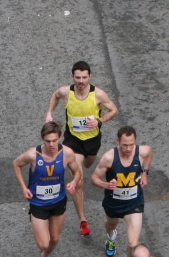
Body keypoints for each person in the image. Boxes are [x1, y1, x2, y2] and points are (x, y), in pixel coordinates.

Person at [45, 61, 119, 236]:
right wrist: (49, 113)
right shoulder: (66, 92)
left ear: (90, 77)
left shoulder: (98, 95)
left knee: (88, 164)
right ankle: (83, 221)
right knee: (78, 181)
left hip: (92, 142)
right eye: (77, 77)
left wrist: (99, 121)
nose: (81, 81)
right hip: (73, 141)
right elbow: (55, 95)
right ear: (72, 76)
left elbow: (113, 110)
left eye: (84, 77)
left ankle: (85, 162)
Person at [13, 122, 80, 257]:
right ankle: (42, 243)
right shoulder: (33, 155)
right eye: (48, 141)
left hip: (58, 201)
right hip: (38, 204)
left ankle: (44, 256)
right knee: (44, 243)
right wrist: (24, 188)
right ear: (42, 139)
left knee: (54, 239)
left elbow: (77, 172)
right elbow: (16, 164)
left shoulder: (67, 153)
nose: (51, 144)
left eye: (54, 140)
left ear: (59, 138)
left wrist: (73, 182)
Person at [91, 126, 153, 257]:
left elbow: (150, 152)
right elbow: (94, 178)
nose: (128, 149)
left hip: (134, 203)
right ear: (117, 141)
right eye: (124, 145)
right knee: (111, 225)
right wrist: (106, 185)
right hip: (113, 203)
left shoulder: (141, 152)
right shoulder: (109, 158)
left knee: (133, 243)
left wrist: (145, 172)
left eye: (131, 144)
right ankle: (111, 237)